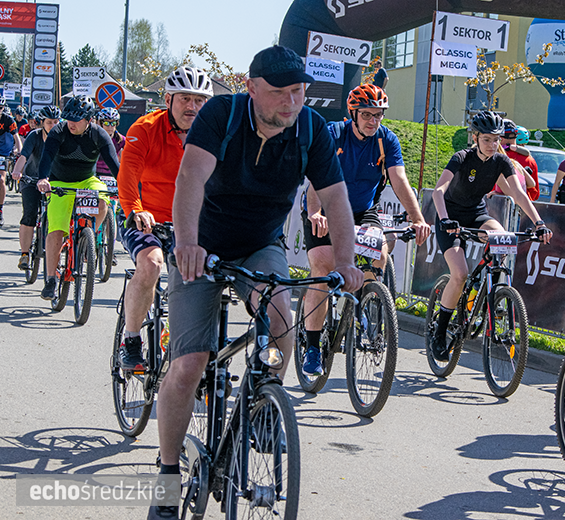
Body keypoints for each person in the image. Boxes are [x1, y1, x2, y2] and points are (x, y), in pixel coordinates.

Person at [147, 45, 362, 520]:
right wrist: (187, 244)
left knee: (282, 320)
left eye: (300, 91)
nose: (293, 102)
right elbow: (190, 181)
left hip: (260, 243)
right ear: (251, 88)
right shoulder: (221, 115)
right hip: (201, 244)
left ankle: (263, 405)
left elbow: (337, 198)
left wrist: (346, 261)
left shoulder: (311, 130)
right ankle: (166, 475)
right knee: (188, 365)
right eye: (281, 92)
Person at [300, 83, 431, 376]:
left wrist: (418, 217)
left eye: (379, 115)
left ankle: (364, 311)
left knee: (379, 253)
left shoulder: (386, 140)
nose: (374, 121)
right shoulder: (335, 134)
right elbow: (316, 176)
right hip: (325, 205)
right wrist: (315, 212)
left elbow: (399, 180)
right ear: (353, 113)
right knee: (322, 263)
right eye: (368, 115)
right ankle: (311, 346)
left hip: (362, 210)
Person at [429, 111, 552, 362]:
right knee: (460, 274)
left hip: (476, 214)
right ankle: (440, 331)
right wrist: (444, 219)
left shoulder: (501, 162)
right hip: (450, 217)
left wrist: (539, 222)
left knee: (502, 238)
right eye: (486, 139)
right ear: (475, 137)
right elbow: (438, 192)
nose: (492, 145)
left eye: (496, 139)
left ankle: (491, 289)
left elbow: (519, 194)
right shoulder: (461, 158)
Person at [116, 66, 213, 372]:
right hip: (146, 217)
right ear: (169, 99)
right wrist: (135, 208)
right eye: (185, 98)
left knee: (207, 276)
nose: (192, 107)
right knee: (152, 263)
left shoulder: (212, 134)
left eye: (199, 101)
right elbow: (128, 172)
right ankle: (131, 339)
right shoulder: (145, 128)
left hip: (190, 222)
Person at [36, 95, 119, 300]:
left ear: (89, 120)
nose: (70, 123)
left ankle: (87, 238)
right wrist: (43, 179)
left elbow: (115, 165)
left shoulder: (99, 134)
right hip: (59, 182)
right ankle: (50, 280)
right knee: (56, 230)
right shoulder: (58, 131)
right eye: (68, 118)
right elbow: (46, 158)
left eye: (77, 119)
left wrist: (125, 187)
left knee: (103, 201)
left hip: (86, 181)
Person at [10, 106, 61, 270]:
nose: (53, 125)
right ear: (42, 123)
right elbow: (23, 156)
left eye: (56, 122)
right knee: (30, 215)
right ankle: (25, 254)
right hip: (31, 179)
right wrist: (17, 171)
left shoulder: (63, 137)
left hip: (53, 182)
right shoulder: (34, 136)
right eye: (49, 122)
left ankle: (57, 254)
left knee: (57, 219)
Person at [490, 119, 537, 199]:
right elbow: (535, 192)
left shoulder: (491, 157)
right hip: (522, 207)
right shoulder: (529, 160)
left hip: (494, 206)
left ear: (500, 137)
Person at [0, 98, 23, 226]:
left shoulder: (8, 120)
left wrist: (20, 152)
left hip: (2, 151)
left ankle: (0, 208)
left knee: (1, 180)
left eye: (0, 108)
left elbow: (16, 137)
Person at [95, 107, 125, 175]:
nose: (110, 127)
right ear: (101, 123)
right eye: (106, 123)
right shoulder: (95, 137)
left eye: (113, 123)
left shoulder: (120, 139)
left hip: (113, 173)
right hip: (95, 173)